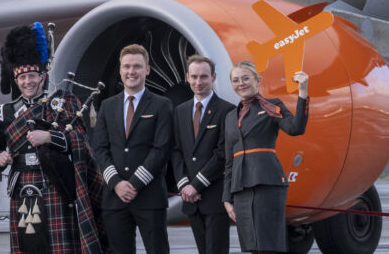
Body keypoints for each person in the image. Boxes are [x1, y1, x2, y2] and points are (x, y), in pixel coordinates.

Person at [0, 24, 106, 254]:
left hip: (55, 182)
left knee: (60, 247)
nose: (28, 82)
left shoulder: (62, 104)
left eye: (32, 76)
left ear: (42, 78)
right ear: (16, 80)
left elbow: (80, 140)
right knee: (28, 245)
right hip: (22, 186)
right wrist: (0, 157)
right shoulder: (4, 113)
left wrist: (49, 136)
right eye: (23, 77)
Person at [91, 44, 173, 254]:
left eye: (137, 66)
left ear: (147, 70)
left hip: (149, 195)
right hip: (115, 197)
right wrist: (117, 184)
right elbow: (99, 148)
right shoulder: (107, 106)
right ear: (120, 70)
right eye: (126, 66)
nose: (131, 72)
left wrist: (134, 184)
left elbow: (161, 148)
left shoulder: (162, 105)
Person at [222, 62, 310, 253]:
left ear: (257, 80)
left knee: (269, 245)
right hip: (241, 189)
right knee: (252, 245)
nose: (241, 83)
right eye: (235, 80)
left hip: (267, 184)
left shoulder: (272, 105)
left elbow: (296, 128)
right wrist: (226, 198)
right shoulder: (230, 117)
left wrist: (303, 92)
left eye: (246, 78)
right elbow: (229, 160)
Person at [172, 56, 236, 254]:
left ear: (213, 77)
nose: (198, 82)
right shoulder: (180, 111)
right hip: (191, 200)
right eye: (194, 77)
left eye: (203, 77)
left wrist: (196, 185)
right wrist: (184, 185)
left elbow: (222, 153)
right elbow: (175, 151)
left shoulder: (227, 110)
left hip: (214, 197)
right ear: (187, 78)